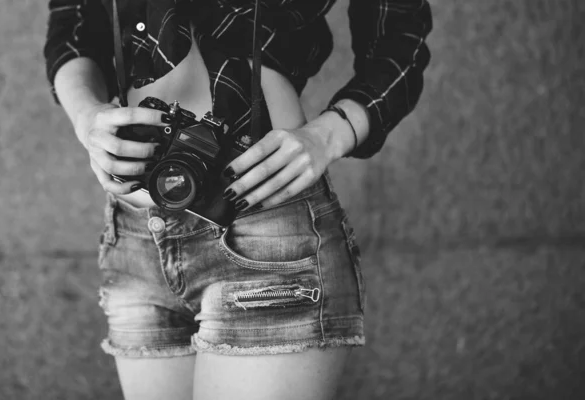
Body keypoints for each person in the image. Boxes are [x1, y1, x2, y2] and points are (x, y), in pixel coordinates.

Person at [44, 0, 432, 399]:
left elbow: (400, 38)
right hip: (137, 236)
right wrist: (88, 118)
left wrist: (330, 134)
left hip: (267, 231)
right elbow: (73, 28)